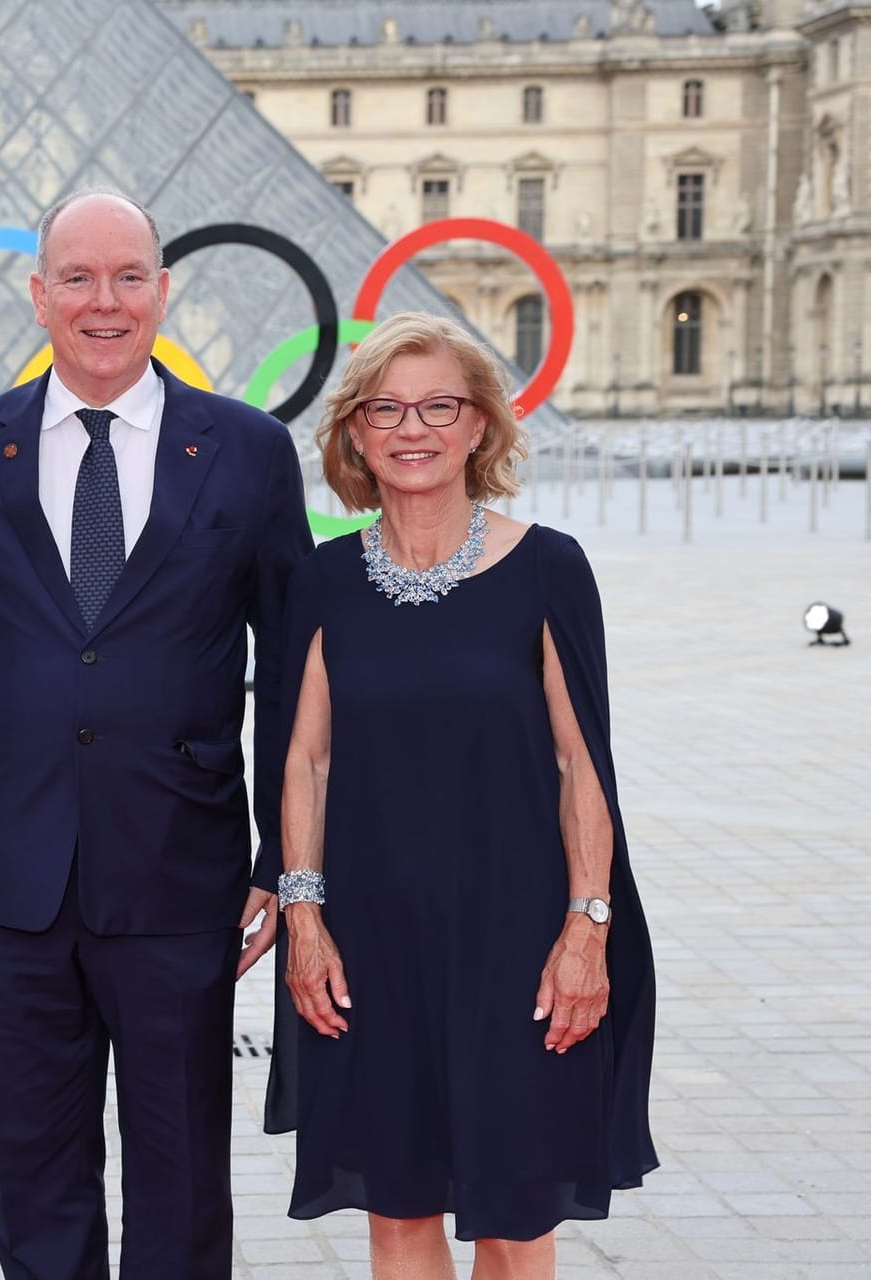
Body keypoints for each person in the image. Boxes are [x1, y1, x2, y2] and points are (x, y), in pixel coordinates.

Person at [0, 187, 313, 1277]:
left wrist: (286, 861)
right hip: (16, 876)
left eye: (128, 276)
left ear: (163, 292)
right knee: (35, 1170)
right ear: (38, 295)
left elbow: (289, 669)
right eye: (78, 279)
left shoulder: (247, 449)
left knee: (181, 1169)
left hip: (181, 872)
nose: (104, 300)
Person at [261, 312, 657, 1278]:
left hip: (519, 937)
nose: (413, 428)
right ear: (355, 432)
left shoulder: (549, 567)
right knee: (397, 1210)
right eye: (386, 408)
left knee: (515, 1218)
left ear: (480, 426)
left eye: (440, 405)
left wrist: (587, 928)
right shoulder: (321, 580)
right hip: (370, 936)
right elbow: (301, 760)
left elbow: (581, 766)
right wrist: (304, 921)